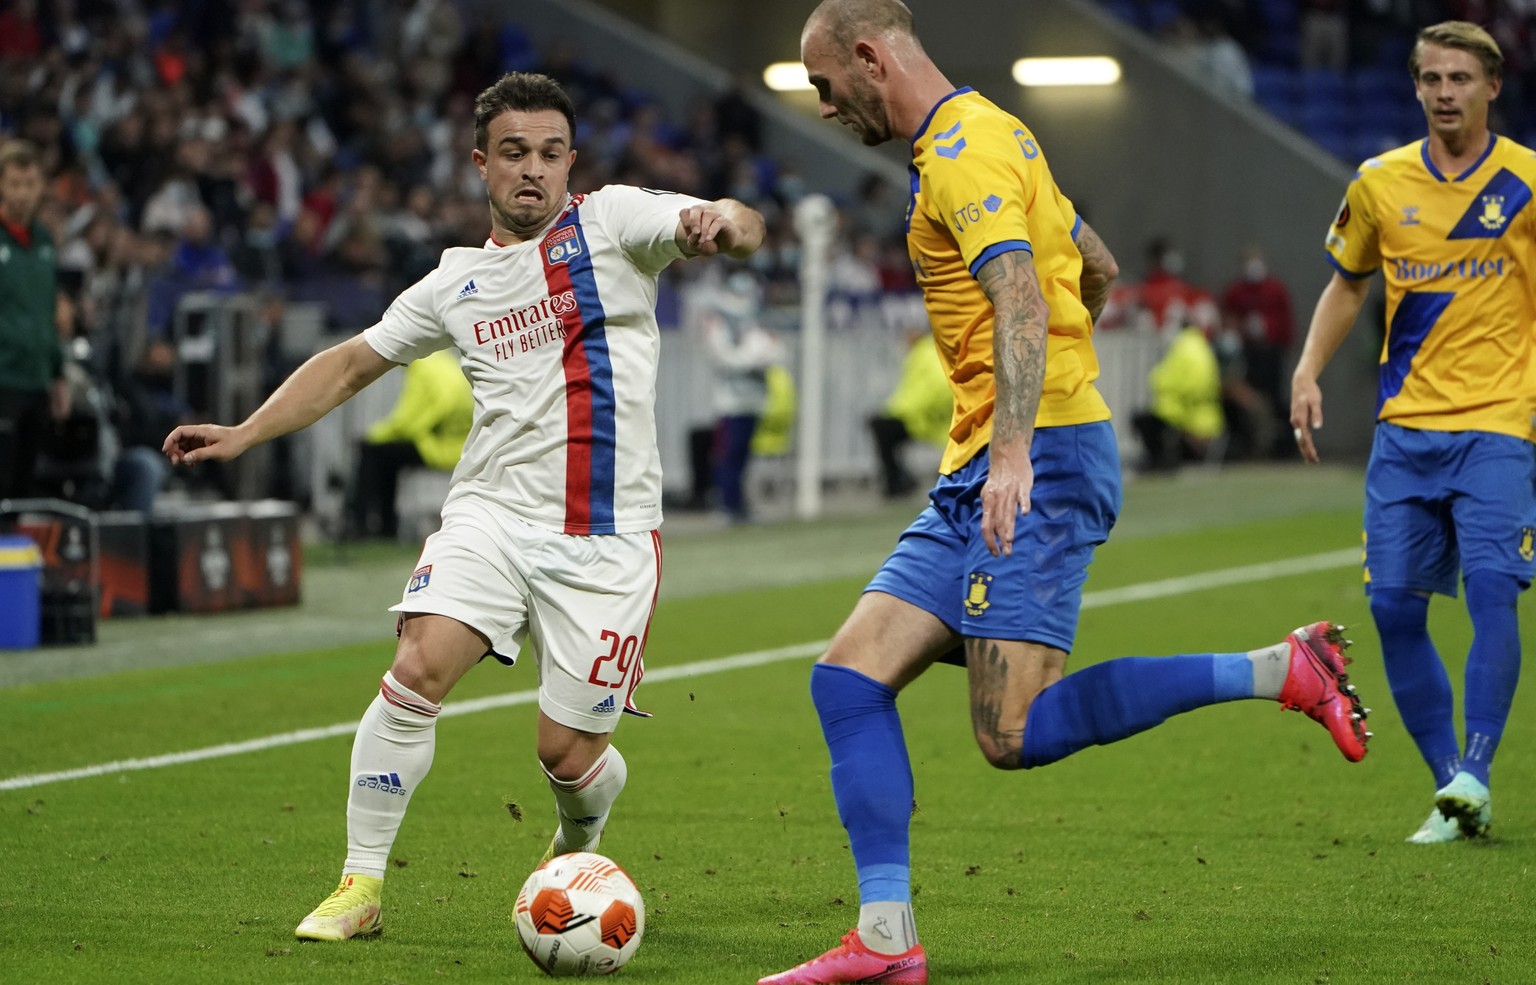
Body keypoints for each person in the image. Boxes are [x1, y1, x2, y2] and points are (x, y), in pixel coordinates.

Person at [767, 4, 1370, 983]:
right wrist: (1036, 398)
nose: (827, 108)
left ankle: (1281, 669)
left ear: (870, 57)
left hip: (1029, 461)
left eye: (828, 88)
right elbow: (1095, 263)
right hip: (988, 461)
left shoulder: (960, 156)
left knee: (1014, 733)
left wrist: (1019, 446)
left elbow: (1019, 295)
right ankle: (884, 939)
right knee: (846, 677)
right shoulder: (996, 129)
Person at [161, 72, 764, 941]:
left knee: (566, 755)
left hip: (609, 537)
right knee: (416, 668)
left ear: (570, 164)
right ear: (480, 164)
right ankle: (359, 884)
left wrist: (724, 222)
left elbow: (737, 219)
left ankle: (577, 837)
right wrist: (245, 432)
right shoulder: (453, 285)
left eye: (551, 154)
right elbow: (349, 363)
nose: (534, 171)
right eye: (514, 153)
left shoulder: (614, 223)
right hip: (490, 516)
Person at [1291, 21, 1536, 846]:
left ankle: (1477, 763)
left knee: (1493, 591)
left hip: (1499, 426)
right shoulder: (1378, 182)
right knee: (1393, 607)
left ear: (1492, 86)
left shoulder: (1529, 184)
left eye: (1460, 78)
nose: (1443, 93)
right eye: (1430, 78)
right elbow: (1347, 284)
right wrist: (1306, 369)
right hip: (1404, 433)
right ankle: (1450, 790)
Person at [0, 139, 69, 500]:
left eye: (29, 184)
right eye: (15, 184)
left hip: (37, 380)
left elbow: (46, 313)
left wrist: (57, 376)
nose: (23, 193)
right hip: (3, 379)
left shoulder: (43, 241)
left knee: (26, 485)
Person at [347, 347, 474, 539]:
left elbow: (409, 422)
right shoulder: (441, 360)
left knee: (372, 451)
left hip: (441, 447)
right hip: (463, 445)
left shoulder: (421, 365)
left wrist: (372, 436)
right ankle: (387, 526)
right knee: (387, 457)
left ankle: (359, 525)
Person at [701, 269, 784, 524]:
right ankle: (728, 506)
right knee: (730, 456)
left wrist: (758, 357)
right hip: (731, 400)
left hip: (754, 400)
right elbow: (721, 356)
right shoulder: (721, 317)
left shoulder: (755, 315)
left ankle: (738, 506)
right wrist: (751, 359)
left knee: (743, 456)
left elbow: (777, 351)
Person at [1220, 243, 1296, 458]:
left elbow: (1286, 323)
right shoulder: (1236, 291)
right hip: (1247, 353)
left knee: (1277, 399)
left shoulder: (1275, 289)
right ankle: (1244, 444)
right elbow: (1228, 317)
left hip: (1271, 352)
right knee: (1243, 398)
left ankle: (1283, 447)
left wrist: (1270, 331)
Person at [868, 327, 951, 498]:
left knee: (881, 428)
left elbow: (939, 387)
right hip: (918, 418)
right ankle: (901, 480)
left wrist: (921, 411)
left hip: (924, 421)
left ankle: (897, 483)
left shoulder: (925, 353)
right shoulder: (924, 353)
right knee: (881, 427)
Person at [1130, 323, 1225, 472]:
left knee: (1144, 421)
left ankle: (1158, 462)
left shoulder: (1184, 348)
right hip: (1202, 415)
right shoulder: (1200, 347)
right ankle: (1160, 460)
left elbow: (1170, 380)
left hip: (1184, 414)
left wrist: (1160, 384)